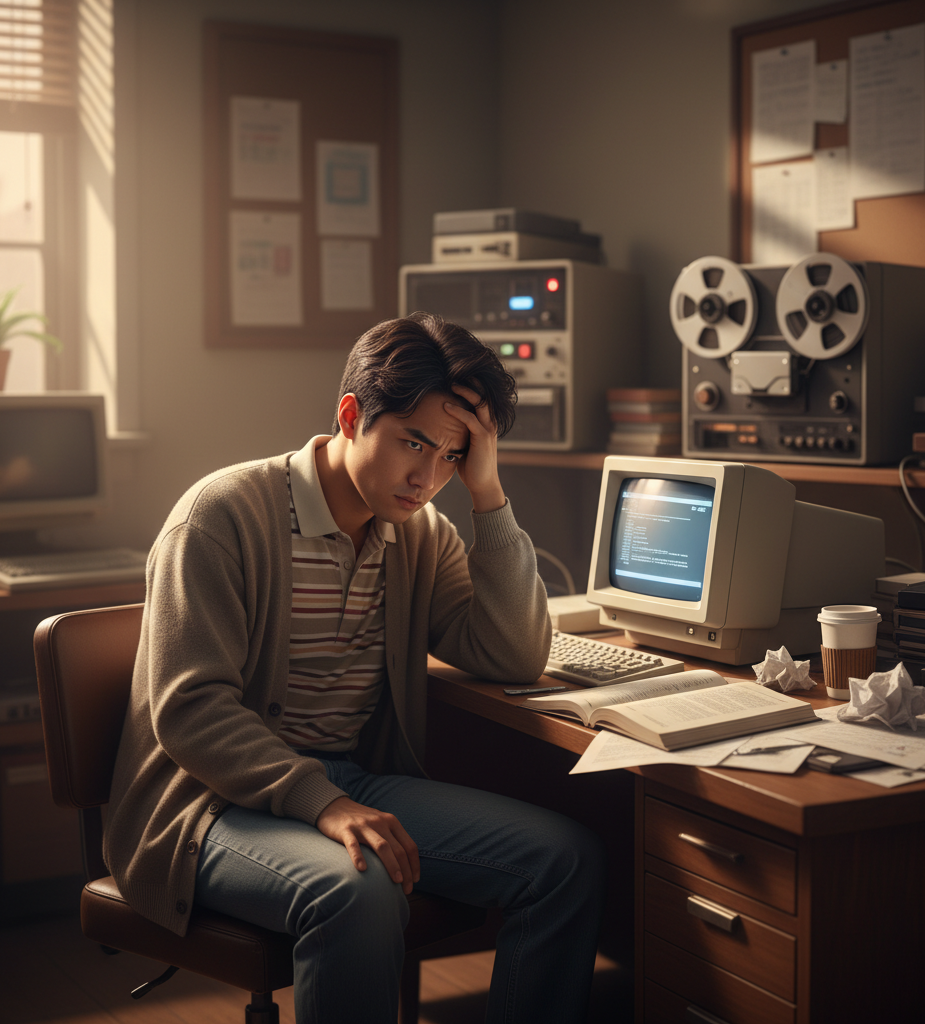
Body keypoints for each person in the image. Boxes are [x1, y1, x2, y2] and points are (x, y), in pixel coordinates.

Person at [105, 312, 606, 1023]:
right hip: (207, 803)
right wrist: (325, 804)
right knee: (357, 890)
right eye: (413, 443)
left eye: (453, 457)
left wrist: (488, 493)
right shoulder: (220, 516)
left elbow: (513, 651)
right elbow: (190, 709)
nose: (428, 477)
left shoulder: (419, 531)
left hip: (350, 781)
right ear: (350, 416)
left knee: (565, 862)